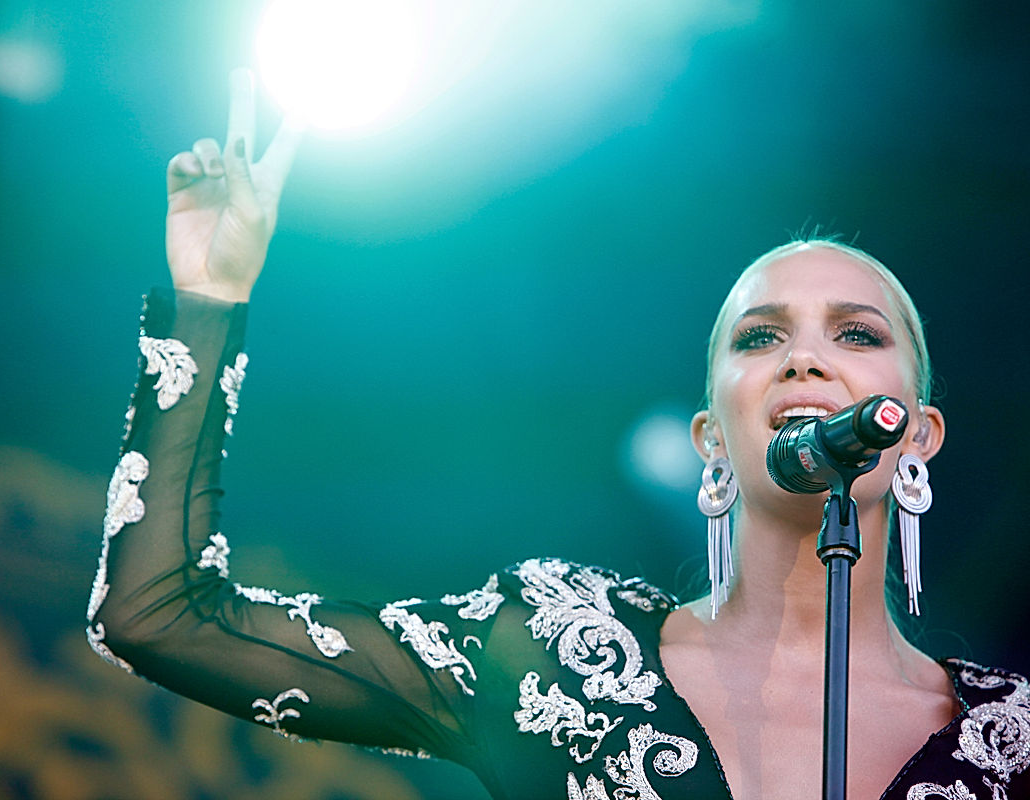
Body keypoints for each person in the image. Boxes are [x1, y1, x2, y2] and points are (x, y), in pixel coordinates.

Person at [86, 70, 1029, 800]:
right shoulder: (555, 648)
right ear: (710, 440)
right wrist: (209, 300)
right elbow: (161, 616)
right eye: (760, 337)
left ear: (919, 439)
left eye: (857, 334)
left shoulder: (1011, 738)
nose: (806, 360)